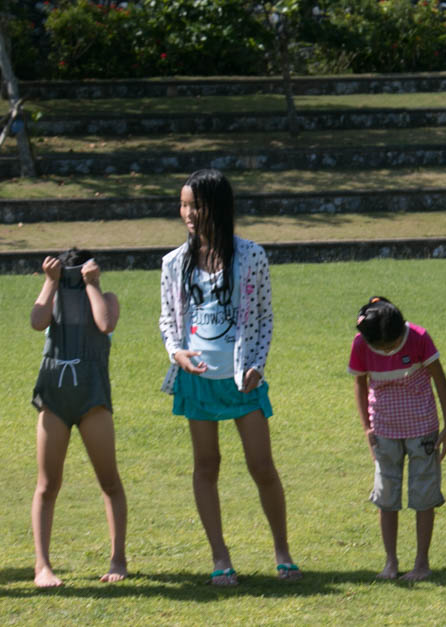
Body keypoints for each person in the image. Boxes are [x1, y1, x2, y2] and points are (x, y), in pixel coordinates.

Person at [159, 168, 300, 586]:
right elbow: (169, 320)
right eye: (183, 204)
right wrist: (177, 353)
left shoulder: (252, 256)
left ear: (216, 207)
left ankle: (283, 552)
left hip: (242, 380)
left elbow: (264, 316)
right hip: (197, 382)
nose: (187, 212)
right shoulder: (173, 263)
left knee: (262, 466)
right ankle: (220, 557)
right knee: (206, 466)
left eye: (194, 204)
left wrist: (257, 364)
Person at [30, 248, 127, 588]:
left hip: (92, 398)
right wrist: (50, 282)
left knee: (109, 481)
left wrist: (92, 284)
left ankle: (118, 558)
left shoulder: (106, 297)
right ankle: (42, 566)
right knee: (47, 485)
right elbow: (37, 321)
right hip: (54, 397)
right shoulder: (52, 294)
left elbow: (104, 323)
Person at [348, 296, 446, 582]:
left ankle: (422, 563)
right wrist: (367, 428)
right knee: (386, 497)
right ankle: (390, 562)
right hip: (384, 431)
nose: (387, 350)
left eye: (392, 344)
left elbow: (440, 380)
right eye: (380, 347)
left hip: (423, 429)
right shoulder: (360, 344)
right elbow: (359, 383)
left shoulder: (418, 337)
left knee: (424, 496)